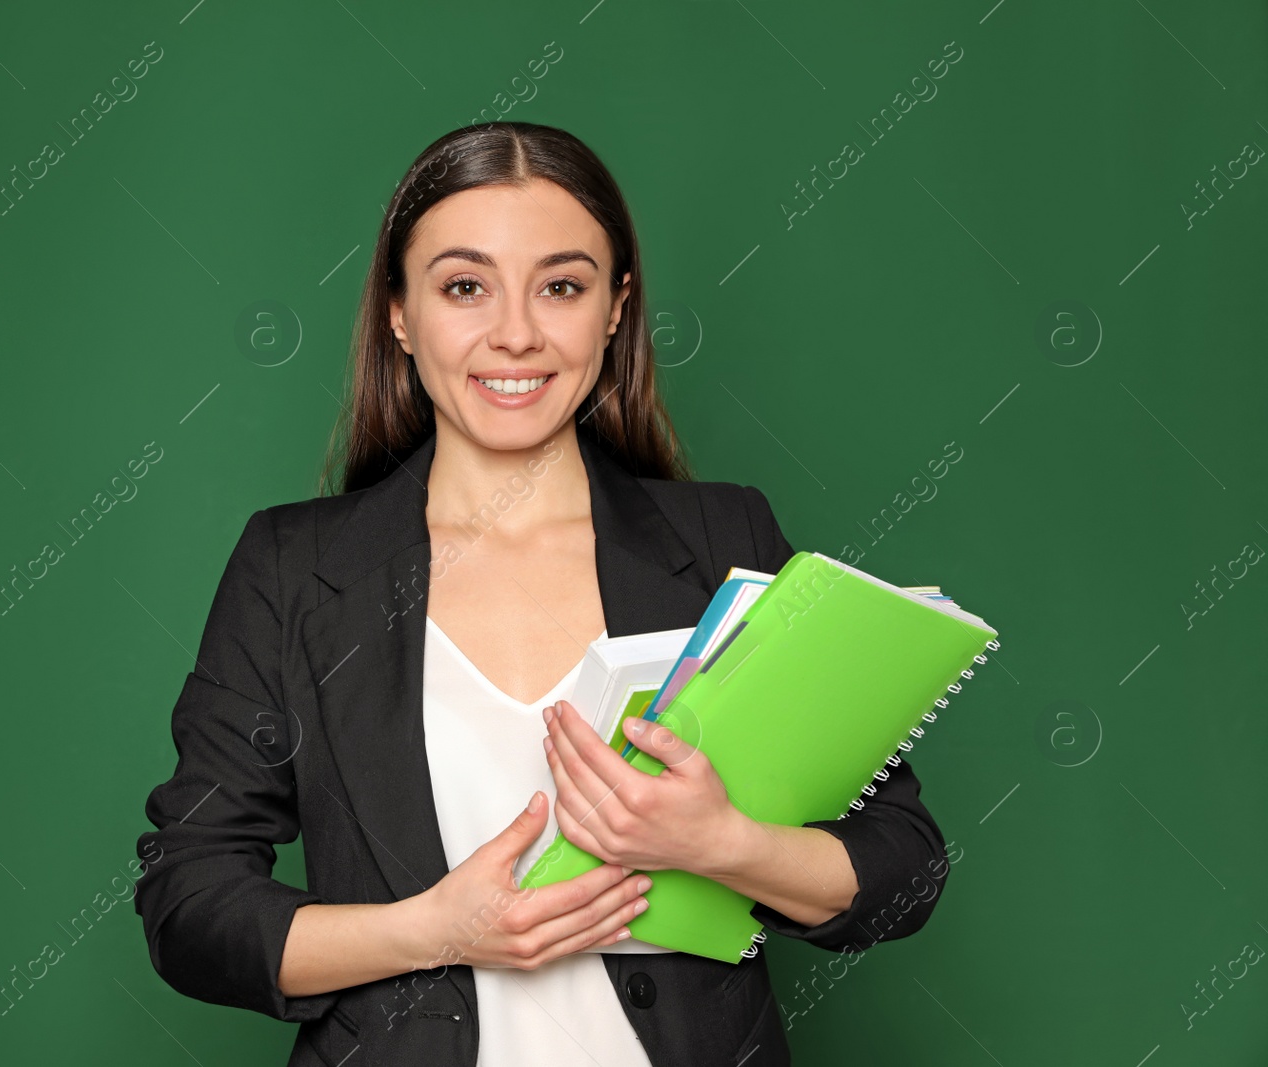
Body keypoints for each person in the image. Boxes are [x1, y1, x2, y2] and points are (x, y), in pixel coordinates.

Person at [133, 121, 948, 1066]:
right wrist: (430, 931)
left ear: (614, 310)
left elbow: (903, 866)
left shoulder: (726, 539)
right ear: (399, 312)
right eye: (464, 285)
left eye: (561, 285)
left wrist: (722, 842)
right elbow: (187, 900)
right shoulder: (291, 568)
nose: (515, 331)